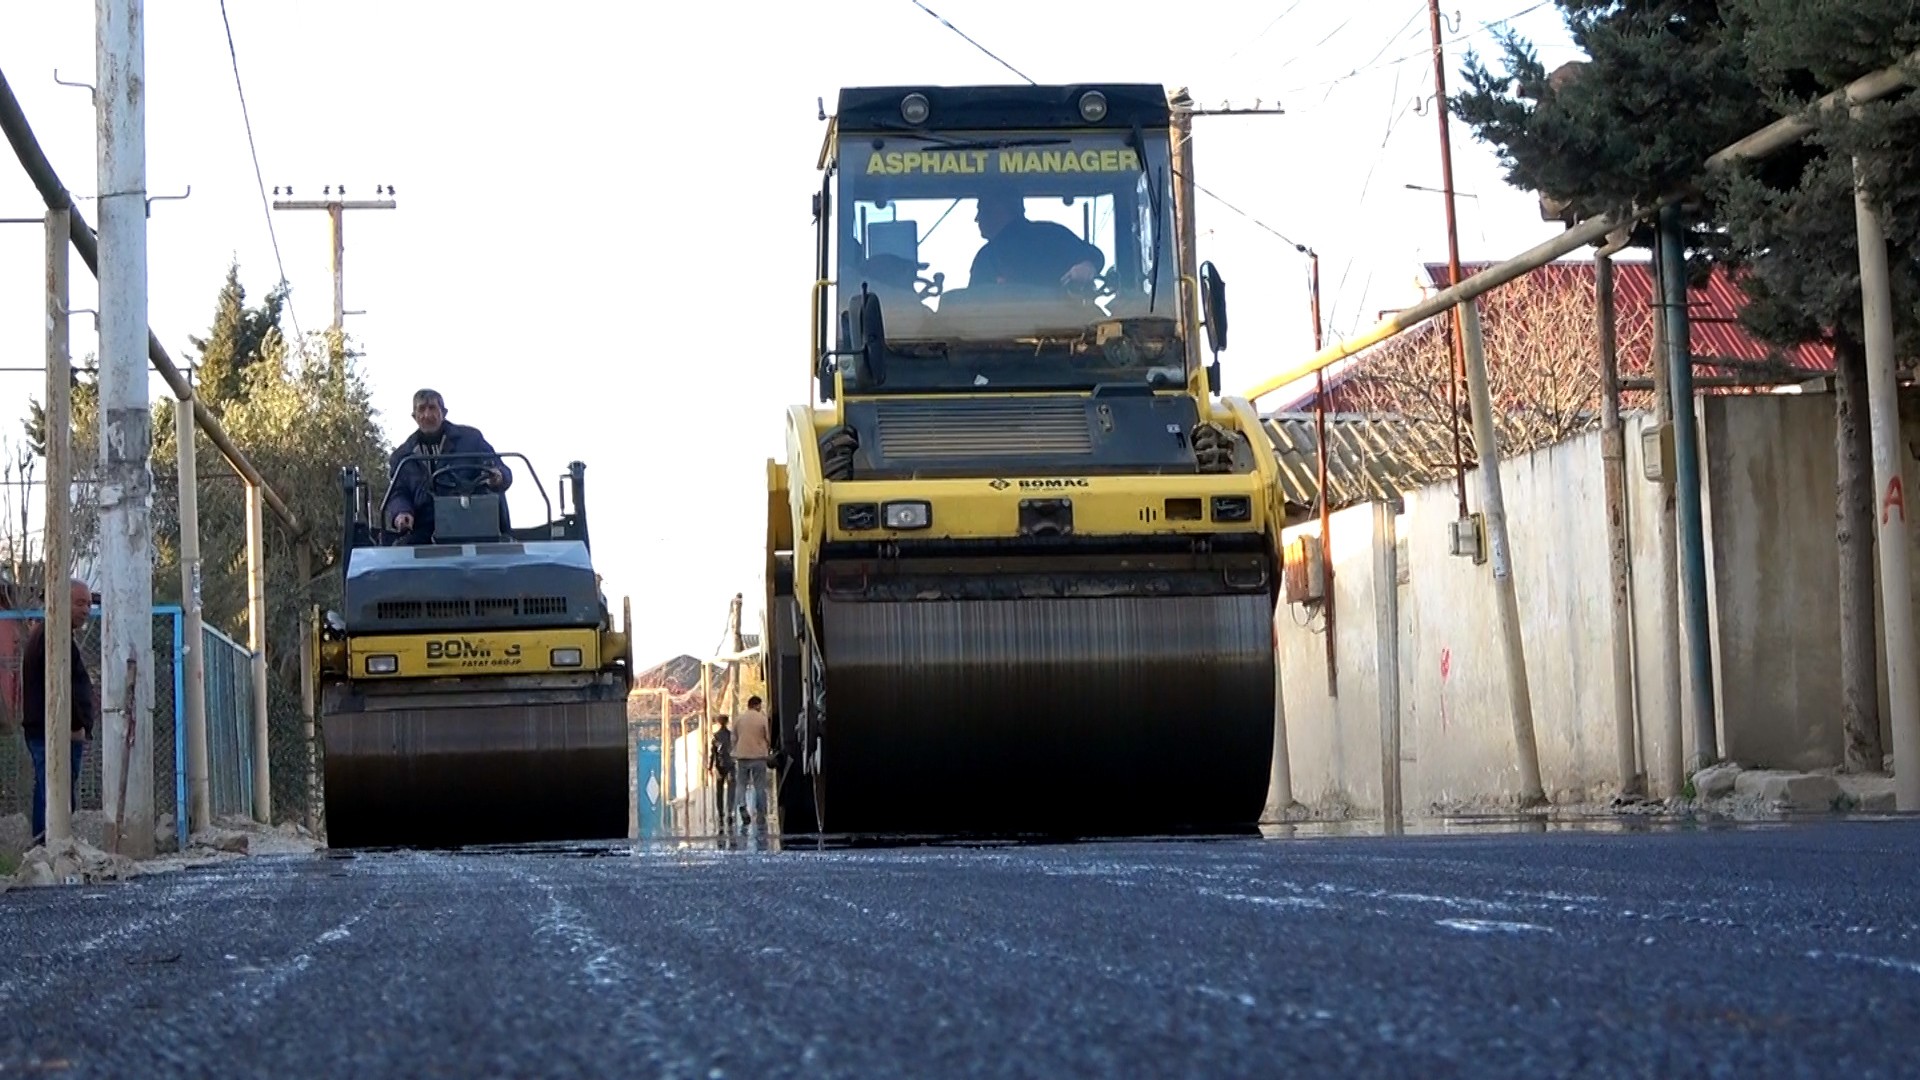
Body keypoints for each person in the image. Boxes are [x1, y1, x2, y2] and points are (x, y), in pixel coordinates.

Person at [382, 388, 513, 544]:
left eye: (432, 408)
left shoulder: (472, 439)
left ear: (443, 412)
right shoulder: (403, 456)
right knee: (399, 552)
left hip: (474, 522)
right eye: (421, 409)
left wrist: (498, 477)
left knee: (504, 547)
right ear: (414, 416)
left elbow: (500, 469)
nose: (427, 415)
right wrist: (402, 512)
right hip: (427, 527)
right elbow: (398, 492)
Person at [21, 578, 96, 846]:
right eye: (79, 603)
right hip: (52, 732)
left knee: (51, 791)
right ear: (61, 603)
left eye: (88, 603)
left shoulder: (56, 635)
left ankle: (48, 848)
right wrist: (75, 725)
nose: (86, 609)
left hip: (55, 731)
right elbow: (60, 686)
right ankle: (49, 849)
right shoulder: (53, 637)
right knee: (55, 795)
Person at [967, 190, 1104, 293]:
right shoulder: (1052, 234)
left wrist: (1086, 267)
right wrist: (1089, 264)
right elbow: (973, 305)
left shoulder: (1051, 236)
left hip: (1066, 329)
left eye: (983, 210)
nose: (977, 218)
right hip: (1000, 330)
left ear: (1001, 210)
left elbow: (1093, 257)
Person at [731, 695, 773, 834]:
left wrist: (736, 750)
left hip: (742, 756)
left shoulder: (739, 719)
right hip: (759, 756)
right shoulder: (762, 718)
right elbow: (768, 737)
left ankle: (742, 806)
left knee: (741, 784)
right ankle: (760, 812)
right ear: (757, 705)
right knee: (759, 785)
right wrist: (767, 748)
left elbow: (734, 738)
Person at [708, 714, 736, 836]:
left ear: (719, 723)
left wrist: (710, 767)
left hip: (720, 766)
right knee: (731, 789)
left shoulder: (716, 736)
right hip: (731, 765)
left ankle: (720, 813)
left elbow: (713, 754)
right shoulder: (732, 736)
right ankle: (729, 811)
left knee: (719, 791)